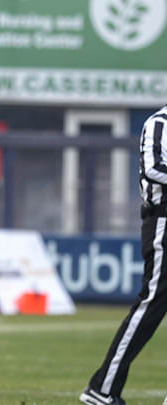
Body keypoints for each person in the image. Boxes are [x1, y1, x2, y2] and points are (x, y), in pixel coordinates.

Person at [79, 105, 167, 405]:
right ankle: (102, 387)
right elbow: (153, 167)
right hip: (164, 221)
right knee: (152, 302)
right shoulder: (159, 123)